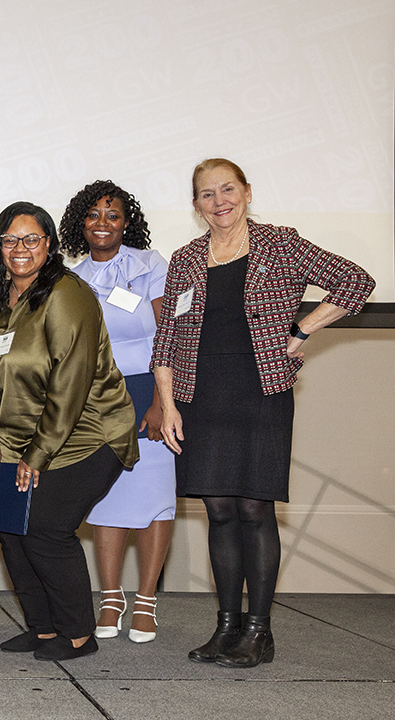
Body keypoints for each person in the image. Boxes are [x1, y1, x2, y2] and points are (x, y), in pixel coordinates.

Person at [152, 158, 375, 668]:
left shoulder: (280, 242)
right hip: (199, 396)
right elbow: (167, 338)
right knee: (219, 511)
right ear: (195, 206)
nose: (219, 201)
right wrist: (167, 405)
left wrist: (301, 332)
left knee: (254, 509)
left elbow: (355, 283)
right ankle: (226, 628)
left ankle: (259, 631)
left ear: (247, 192)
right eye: (206, 194)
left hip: (260, 392)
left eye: (227, 189)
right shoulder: (186, 258)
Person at [0, 201, 138, 662]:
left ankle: (78, 633)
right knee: (10, 526)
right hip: (13, 438)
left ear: (49, 245)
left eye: (32, 239)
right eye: (10, 239)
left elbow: (71, 382)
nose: (20, 248)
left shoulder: (67, 294)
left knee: (45, 527)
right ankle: (43, 629)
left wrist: (35, 456)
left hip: (87, 433)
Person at [60, 180, 176, 644]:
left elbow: (169, 333)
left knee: (153, 496)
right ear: (79, 224)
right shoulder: (71, 277)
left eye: (113, 214)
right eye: (93, 215)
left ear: (128, 222)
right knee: (104, 496)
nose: (102, 223)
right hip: (95, 399)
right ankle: (111, 598)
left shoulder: (149, 265)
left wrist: (159, 402)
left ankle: (145, 600)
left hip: (150, 388)